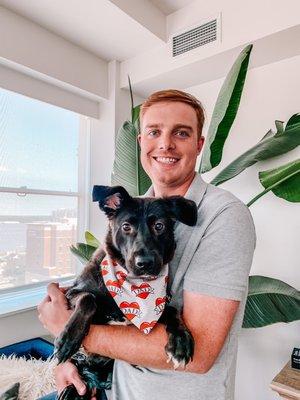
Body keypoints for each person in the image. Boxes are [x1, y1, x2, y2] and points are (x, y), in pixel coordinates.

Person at [38, 90, 256, 400]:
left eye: (181, 133)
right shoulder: (131, 211)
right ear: (141, 142)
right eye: (155, 131)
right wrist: (67, 359)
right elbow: (91, 298)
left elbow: (201, 352)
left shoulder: (224, 216)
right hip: (112, 389)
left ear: (199, 145)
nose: (165, 143)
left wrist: (71, 331)